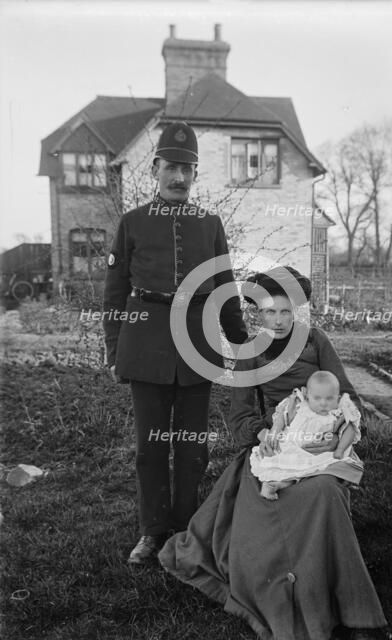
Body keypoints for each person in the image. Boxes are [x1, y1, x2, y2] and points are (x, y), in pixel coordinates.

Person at [159, 266, 388, 640]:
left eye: (286, 312)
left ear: (297, 310)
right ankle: (281, 590)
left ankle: (352, 609)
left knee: (326, 492)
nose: (278, 321)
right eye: (269, 312)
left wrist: (333, 429)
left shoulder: (316, 341)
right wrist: (263, 431)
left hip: (323, 442)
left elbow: (348, 396)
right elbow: (240, 415)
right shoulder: (250, 352)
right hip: (274, 444)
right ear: (257, 313)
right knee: (268, 506)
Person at [103, 121, 248, 564]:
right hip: (145, 344)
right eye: (172, 167)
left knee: (191, 447)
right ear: (155, 169)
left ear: (195, 174)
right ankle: (151, 532)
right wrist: (114, 350)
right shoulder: (132, 223)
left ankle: (186, 530)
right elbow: (114, 293)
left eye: (188, 169)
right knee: (150, 446)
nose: (180, 177)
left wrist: (242, 343)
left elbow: (224, 286)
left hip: (198, 345)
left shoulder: (210, 224)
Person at [251, 369, 363, 500]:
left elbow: (350, 430)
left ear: (337, 397)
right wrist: (273, 433)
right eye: (317, 398)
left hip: (318, 451)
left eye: (329, 398)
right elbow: (282, 417)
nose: (323, 403)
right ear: (307, 395)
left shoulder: (338, 412)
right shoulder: (300, 405)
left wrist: (340, 448)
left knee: (317, 468)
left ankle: (278, 484)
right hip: (292, 446)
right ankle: (274, 483)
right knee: (283, 464)